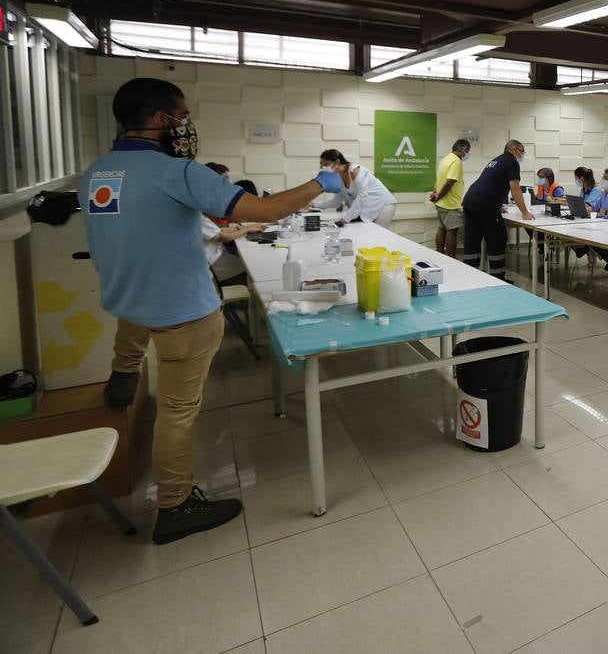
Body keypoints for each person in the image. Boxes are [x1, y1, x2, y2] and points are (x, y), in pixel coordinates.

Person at [81, 78, 345, 544]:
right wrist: (318, 183)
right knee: (178, 409)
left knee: (136, 333)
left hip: (129, 298)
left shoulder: (98, 172)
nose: (186, 126)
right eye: (182, 117)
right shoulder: (178, 173)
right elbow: (264, 210)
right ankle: (176, 504)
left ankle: (122, 375)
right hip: (182, 306)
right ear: (162, 120)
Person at [461, 140, 533, 280]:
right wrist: (525, 213)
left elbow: (489, 183)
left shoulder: (495, 160)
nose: (522, 155)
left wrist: (496, 204)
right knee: (497, 239)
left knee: (472, 241)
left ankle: (469, 277)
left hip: (470, 201)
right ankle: (497, 278)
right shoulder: (512, 162)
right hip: (484, 205)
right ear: (515, 149)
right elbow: (515, 188)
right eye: (522, 151)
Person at [318, 149, 398, 228]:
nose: (322, 167)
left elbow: (362, 196)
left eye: (325, 164)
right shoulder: (341, 178)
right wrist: (313, 205)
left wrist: (345, 219)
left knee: (378, 235)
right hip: (370, 208)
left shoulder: (355, 170)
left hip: (384, 205)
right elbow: (335, 202)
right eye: (321, 164)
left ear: (337, 162)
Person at [430, 138, 471, 257]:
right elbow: (449, 182)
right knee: (452, 231)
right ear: (462, 150)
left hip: (441, 203)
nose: (467, 154)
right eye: (467, 151)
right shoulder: (456, 161)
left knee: (442, 229)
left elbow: (438, 179)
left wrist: (435, 194)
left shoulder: (445, 159)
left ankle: (440, 255)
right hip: (450, 203)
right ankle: (451, 259)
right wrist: (438, 196)